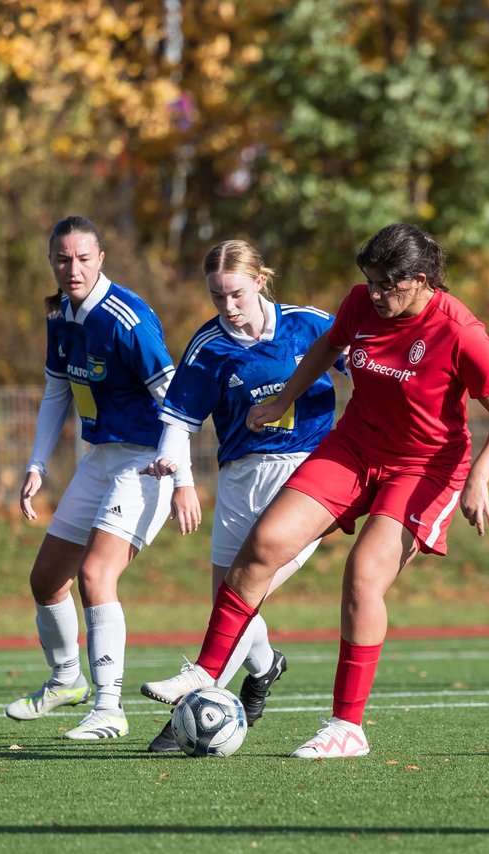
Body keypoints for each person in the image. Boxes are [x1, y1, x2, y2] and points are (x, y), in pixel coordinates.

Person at [138, 222, 489, 758]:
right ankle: (206, 671)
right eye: (368, 282)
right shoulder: (360, 305)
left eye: (386, 285)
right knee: (263, 546)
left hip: (424, 469)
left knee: (363, 575)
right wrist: (282, 400)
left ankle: (347, 727)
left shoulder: (461, 331)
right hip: (355, 448)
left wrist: (480, 477)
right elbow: (325, 348)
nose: (373, 295)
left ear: (417, 280)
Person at [138, 239, 344, 752]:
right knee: (229, 605)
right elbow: (179, 421)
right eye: (216, 296)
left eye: (235, 293)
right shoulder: (209, 347)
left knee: (247, 589)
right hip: (238, 481)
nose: (227, 306)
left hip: (305, 474)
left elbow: (364, 369)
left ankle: (191, 715)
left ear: (260, 280)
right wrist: (179, 477)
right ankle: (266, 665)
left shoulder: (309, 325)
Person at [5, 215, 176, 740]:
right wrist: (36, 464)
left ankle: (110, 709)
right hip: (99, 459)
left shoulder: (126, 318)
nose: (72, 268)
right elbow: (58, 390)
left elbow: (174, 396)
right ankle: (66, 680)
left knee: (96, 576)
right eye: (62, 259)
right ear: (51, 261)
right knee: (45, 580)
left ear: (101, 258)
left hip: (146, 461)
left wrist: (182, 474)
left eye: (83, 258)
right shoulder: (59, 312)